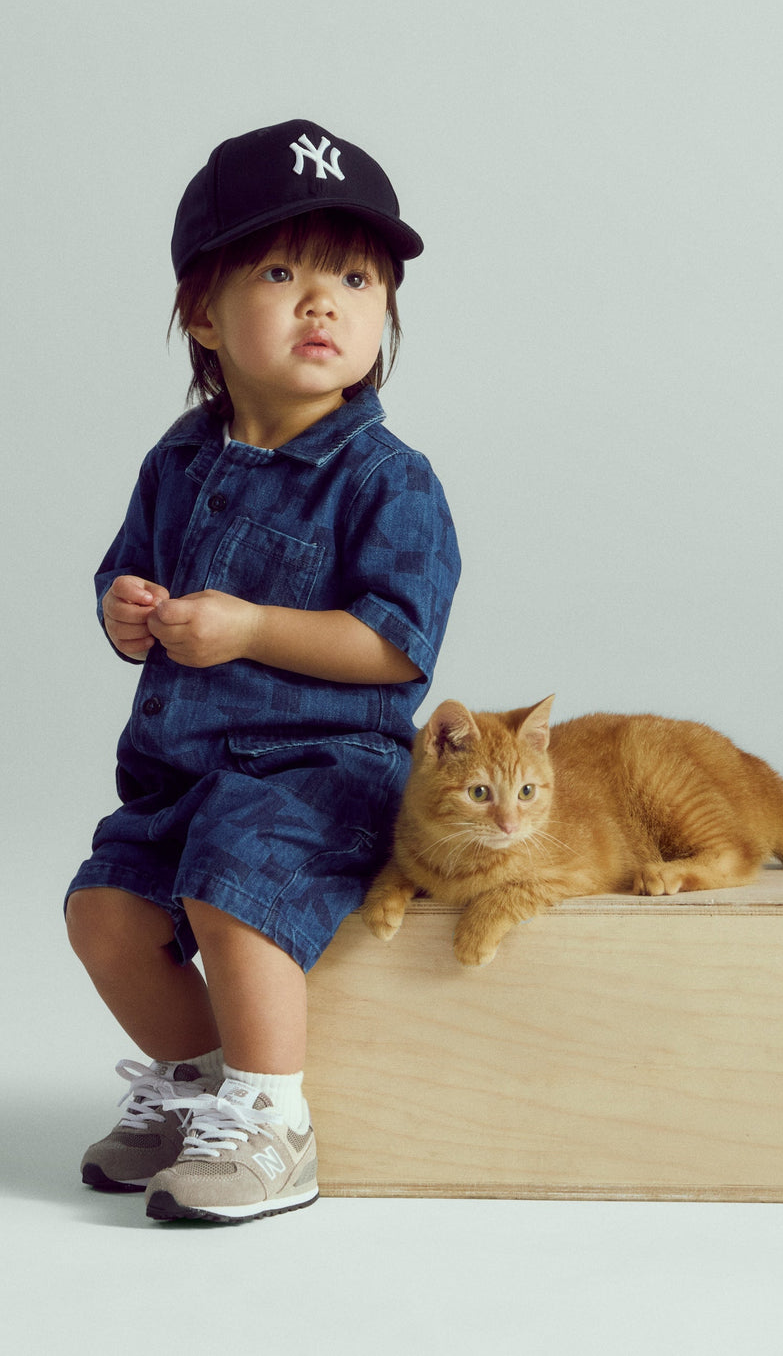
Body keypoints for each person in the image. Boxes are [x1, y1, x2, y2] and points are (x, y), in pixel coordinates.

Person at [64, 120, 460, 1224]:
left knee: (231, 872)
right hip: (181, 773)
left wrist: (248, 629)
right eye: (281, 274)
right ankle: (201, 1088)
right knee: (103, 911)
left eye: (355, 280)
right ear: (203, 312)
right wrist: (126, 614)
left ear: (385, 313)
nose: (322, 302)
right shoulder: (178, 459)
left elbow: (395, 645)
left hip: (321, 772)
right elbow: (125, 574)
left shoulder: (387, 479)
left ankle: (275, 1120)